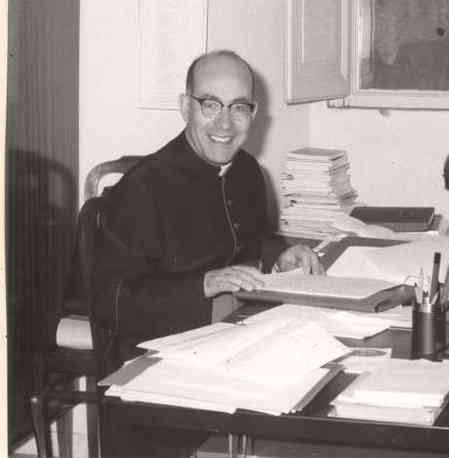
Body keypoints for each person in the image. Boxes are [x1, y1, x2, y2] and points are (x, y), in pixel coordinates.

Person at [93, 49, 323, 457]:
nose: (225, 123)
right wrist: (203, 284)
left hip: (232, 342)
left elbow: (253, 239)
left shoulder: (248, 171)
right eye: (210, 104)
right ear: (186, 107)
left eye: (239, 107)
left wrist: (281, 255)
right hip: (157, 365)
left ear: (253, 114)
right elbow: (112, 304)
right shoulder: (142, 188)